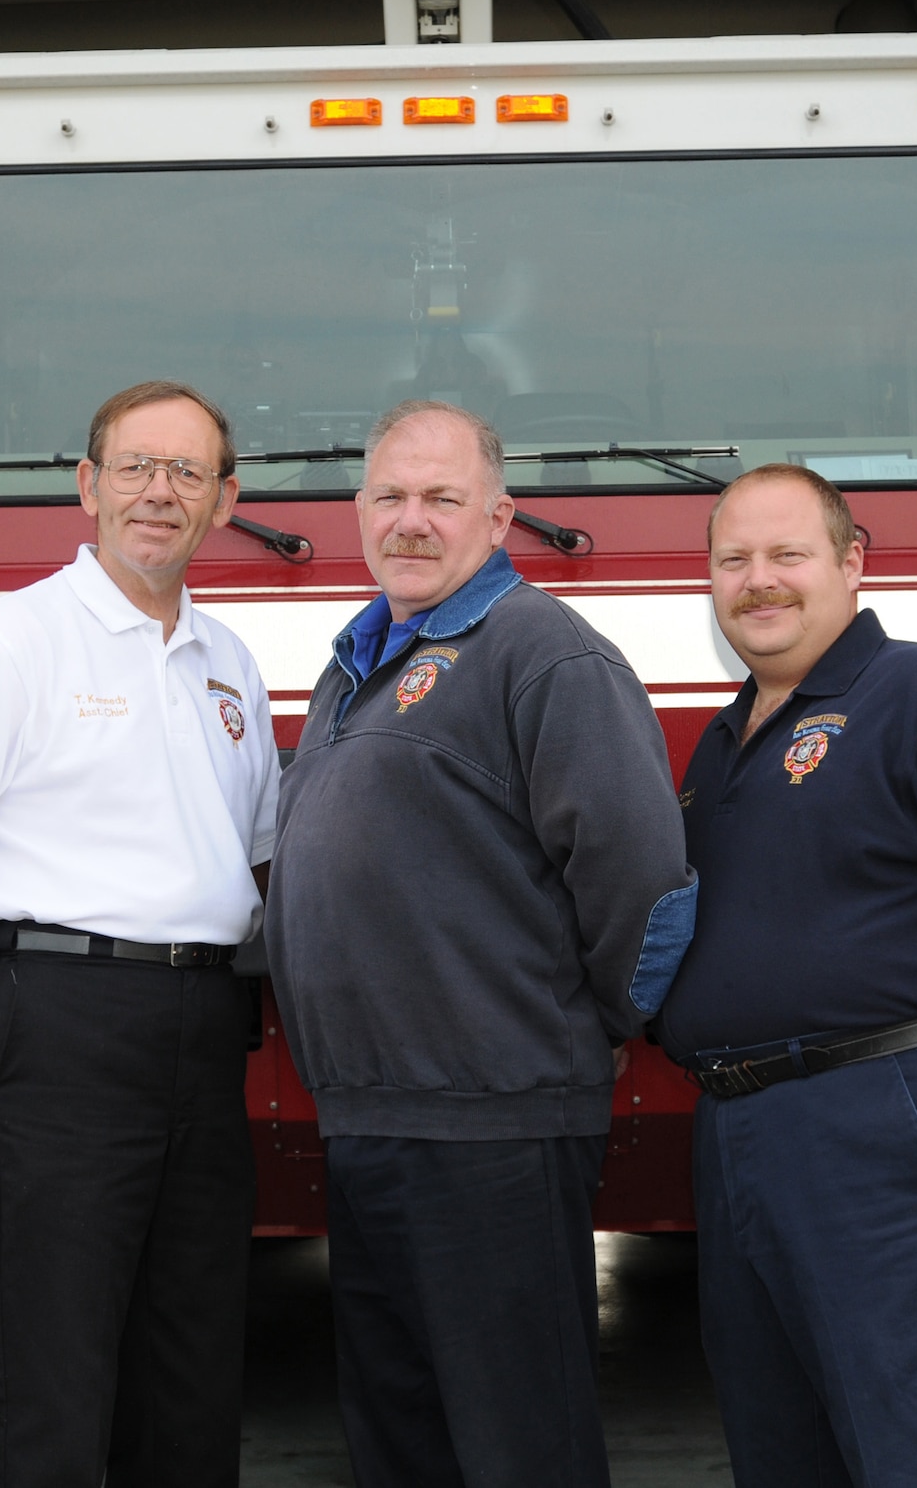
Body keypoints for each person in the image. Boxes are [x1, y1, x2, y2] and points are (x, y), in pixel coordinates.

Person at [265, 399, 697, 1488]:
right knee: (400, 1432)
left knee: (515, 1441)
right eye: (391, 497)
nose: (411, 521)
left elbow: (641, 878)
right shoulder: (354, 661)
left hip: (492, 1120)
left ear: (497, 517)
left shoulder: (543, 655)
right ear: (359, 511)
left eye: (441, 499)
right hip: (374, 1114)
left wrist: (594, 1024)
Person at [0, 380, 277, 1488]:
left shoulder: (231, 663)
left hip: (202, 1025)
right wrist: (2, 969)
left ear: (223, 501)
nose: (158, 491)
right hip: (58, 1029)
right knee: (55, 1364)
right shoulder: (11, 643)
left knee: (191, 1359)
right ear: (87, 487)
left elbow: (257, 860)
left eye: (187, 472)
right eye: (134, 466)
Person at [658, 462, 917, 1488]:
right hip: (740, 1135)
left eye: (785, 555)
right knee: (782, 1452)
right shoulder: (721, 744)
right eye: (733, 560)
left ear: (851, 563)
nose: (757, 581)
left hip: (882, 1121)